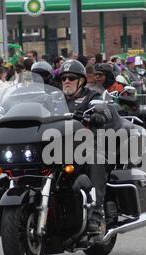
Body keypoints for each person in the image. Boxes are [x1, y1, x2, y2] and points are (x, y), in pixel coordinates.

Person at [58, 59, 109, 236]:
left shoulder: (91, 96)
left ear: (81, 81)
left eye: (71, 77)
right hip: (56, 147)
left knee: (95, 158)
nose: (66, 81)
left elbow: (104, 111)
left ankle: (96, 213)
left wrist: (99, 115)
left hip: (84, 146)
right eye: (63, 78)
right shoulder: (54, 99)